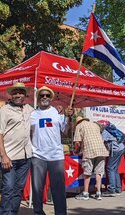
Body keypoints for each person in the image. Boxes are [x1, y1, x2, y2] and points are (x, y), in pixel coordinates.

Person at [0, 82, 34, 215]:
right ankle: (5, 213)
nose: (18, 95)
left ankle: (13, 212)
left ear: (25, 95)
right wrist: (3, 155)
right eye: (15, 92)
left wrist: (63, 114)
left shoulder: (30, 109)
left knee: (19, 188)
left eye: (21, 92)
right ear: (11, 95)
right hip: (9, 157)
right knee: (8, 188)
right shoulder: (4, 111)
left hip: (26, 157)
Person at [30, 86, 72, 215]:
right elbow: (27, 133)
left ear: (51, 98)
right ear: (37, 98)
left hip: (56, 156)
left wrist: (69, 118)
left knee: (58, 189)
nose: (44, 97)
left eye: (47, 95)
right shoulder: (32, 114)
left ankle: (60, 213)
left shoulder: (57, 113)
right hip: (37, 155)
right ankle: (38, 212)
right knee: (37, 189)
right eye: (42, 95)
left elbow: (65, 133)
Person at [73, 116, 110, 201]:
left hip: (89, 150)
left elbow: (77, 143)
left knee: (87, 173)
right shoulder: (94, 125)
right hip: (101, 150)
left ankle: (85, 193)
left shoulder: (79, 126)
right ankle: (98, 193)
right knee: (99, 172)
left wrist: (76, 150)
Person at [99, 121, 125, 197]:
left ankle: (111, 189)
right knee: (114, 169)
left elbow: (101, 142)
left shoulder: (105, 131)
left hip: (115, 149)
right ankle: (118, 188)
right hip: (121, 148)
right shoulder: (112, 129)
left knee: (110, 168)